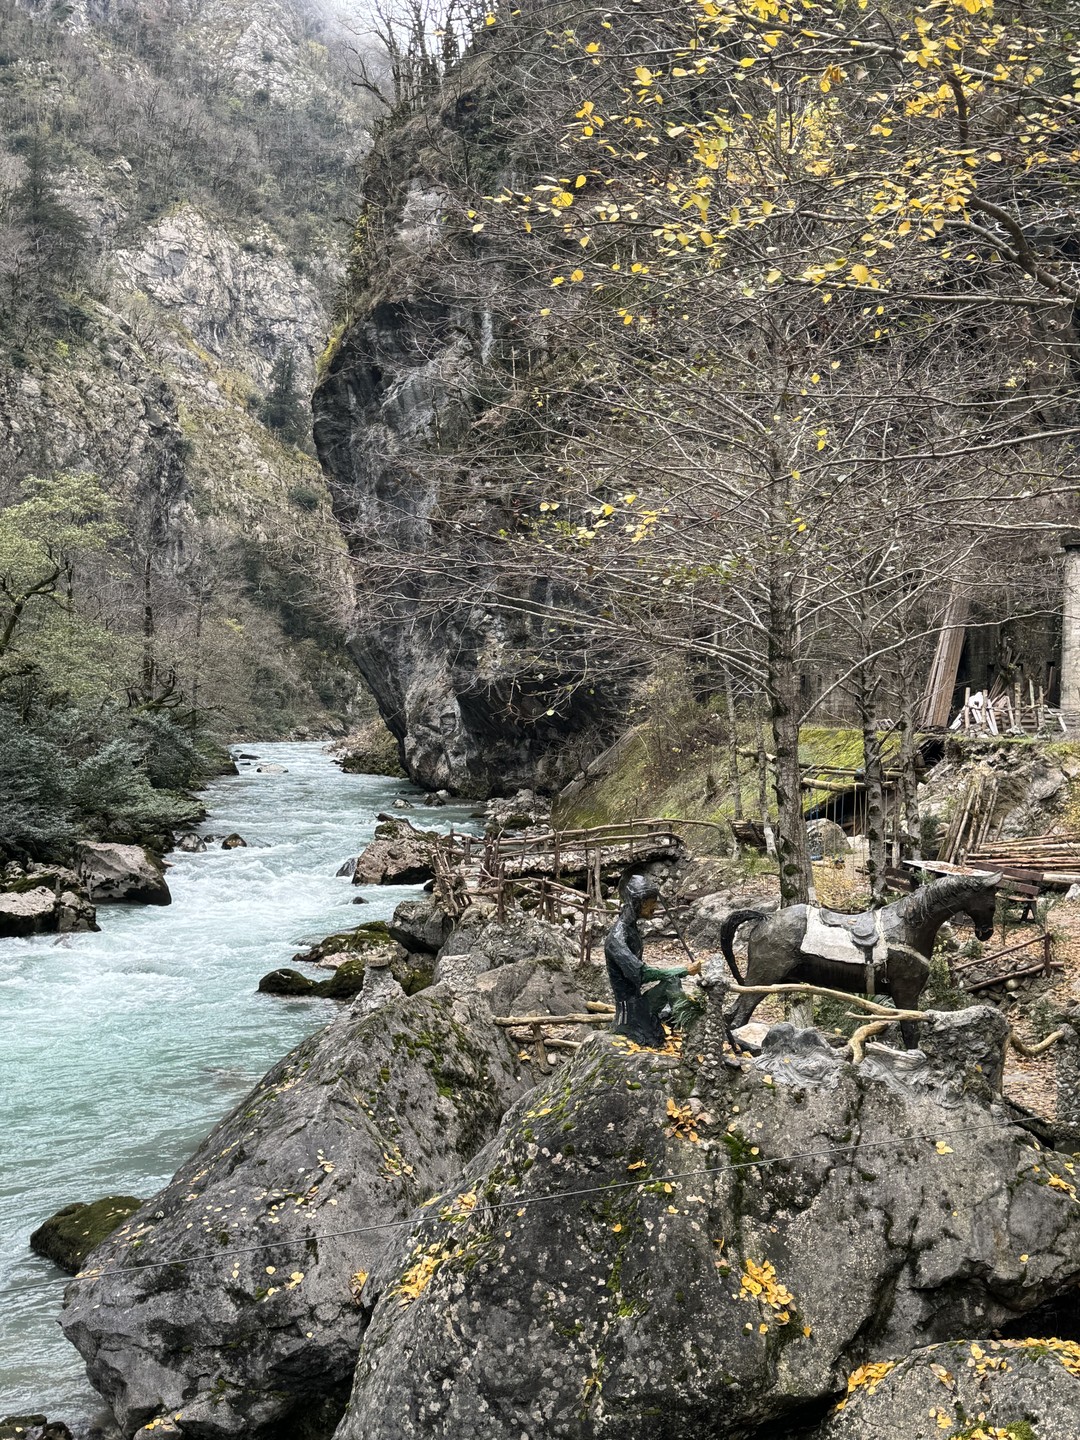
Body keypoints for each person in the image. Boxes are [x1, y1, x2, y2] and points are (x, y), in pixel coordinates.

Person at [604, 874, 701, 1047]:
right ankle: (691, 1028)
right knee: (672, 978)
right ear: (638, 903)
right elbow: (642, 973)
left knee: (672, 981)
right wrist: (683, 970)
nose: (655, 907)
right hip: (629, 1012)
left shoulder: (631, 930)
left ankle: (687, 1023)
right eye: (651, 902)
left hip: (638, 1002)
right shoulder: (616, 938)